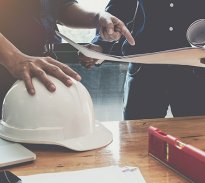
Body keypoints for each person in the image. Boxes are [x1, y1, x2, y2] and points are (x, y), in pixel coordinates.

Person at [80, 0, 205, 120]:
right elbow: (120, 7)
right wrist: (99, 44)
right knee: (137, 146)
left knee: (203, 147)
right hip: (145, 70)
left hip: (198, 70)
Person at [0, 0, 135, 117]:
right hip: (7, 66)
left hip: (44, 67)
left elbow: (61, 6)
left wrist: (98, 17)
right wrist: (13, 57)